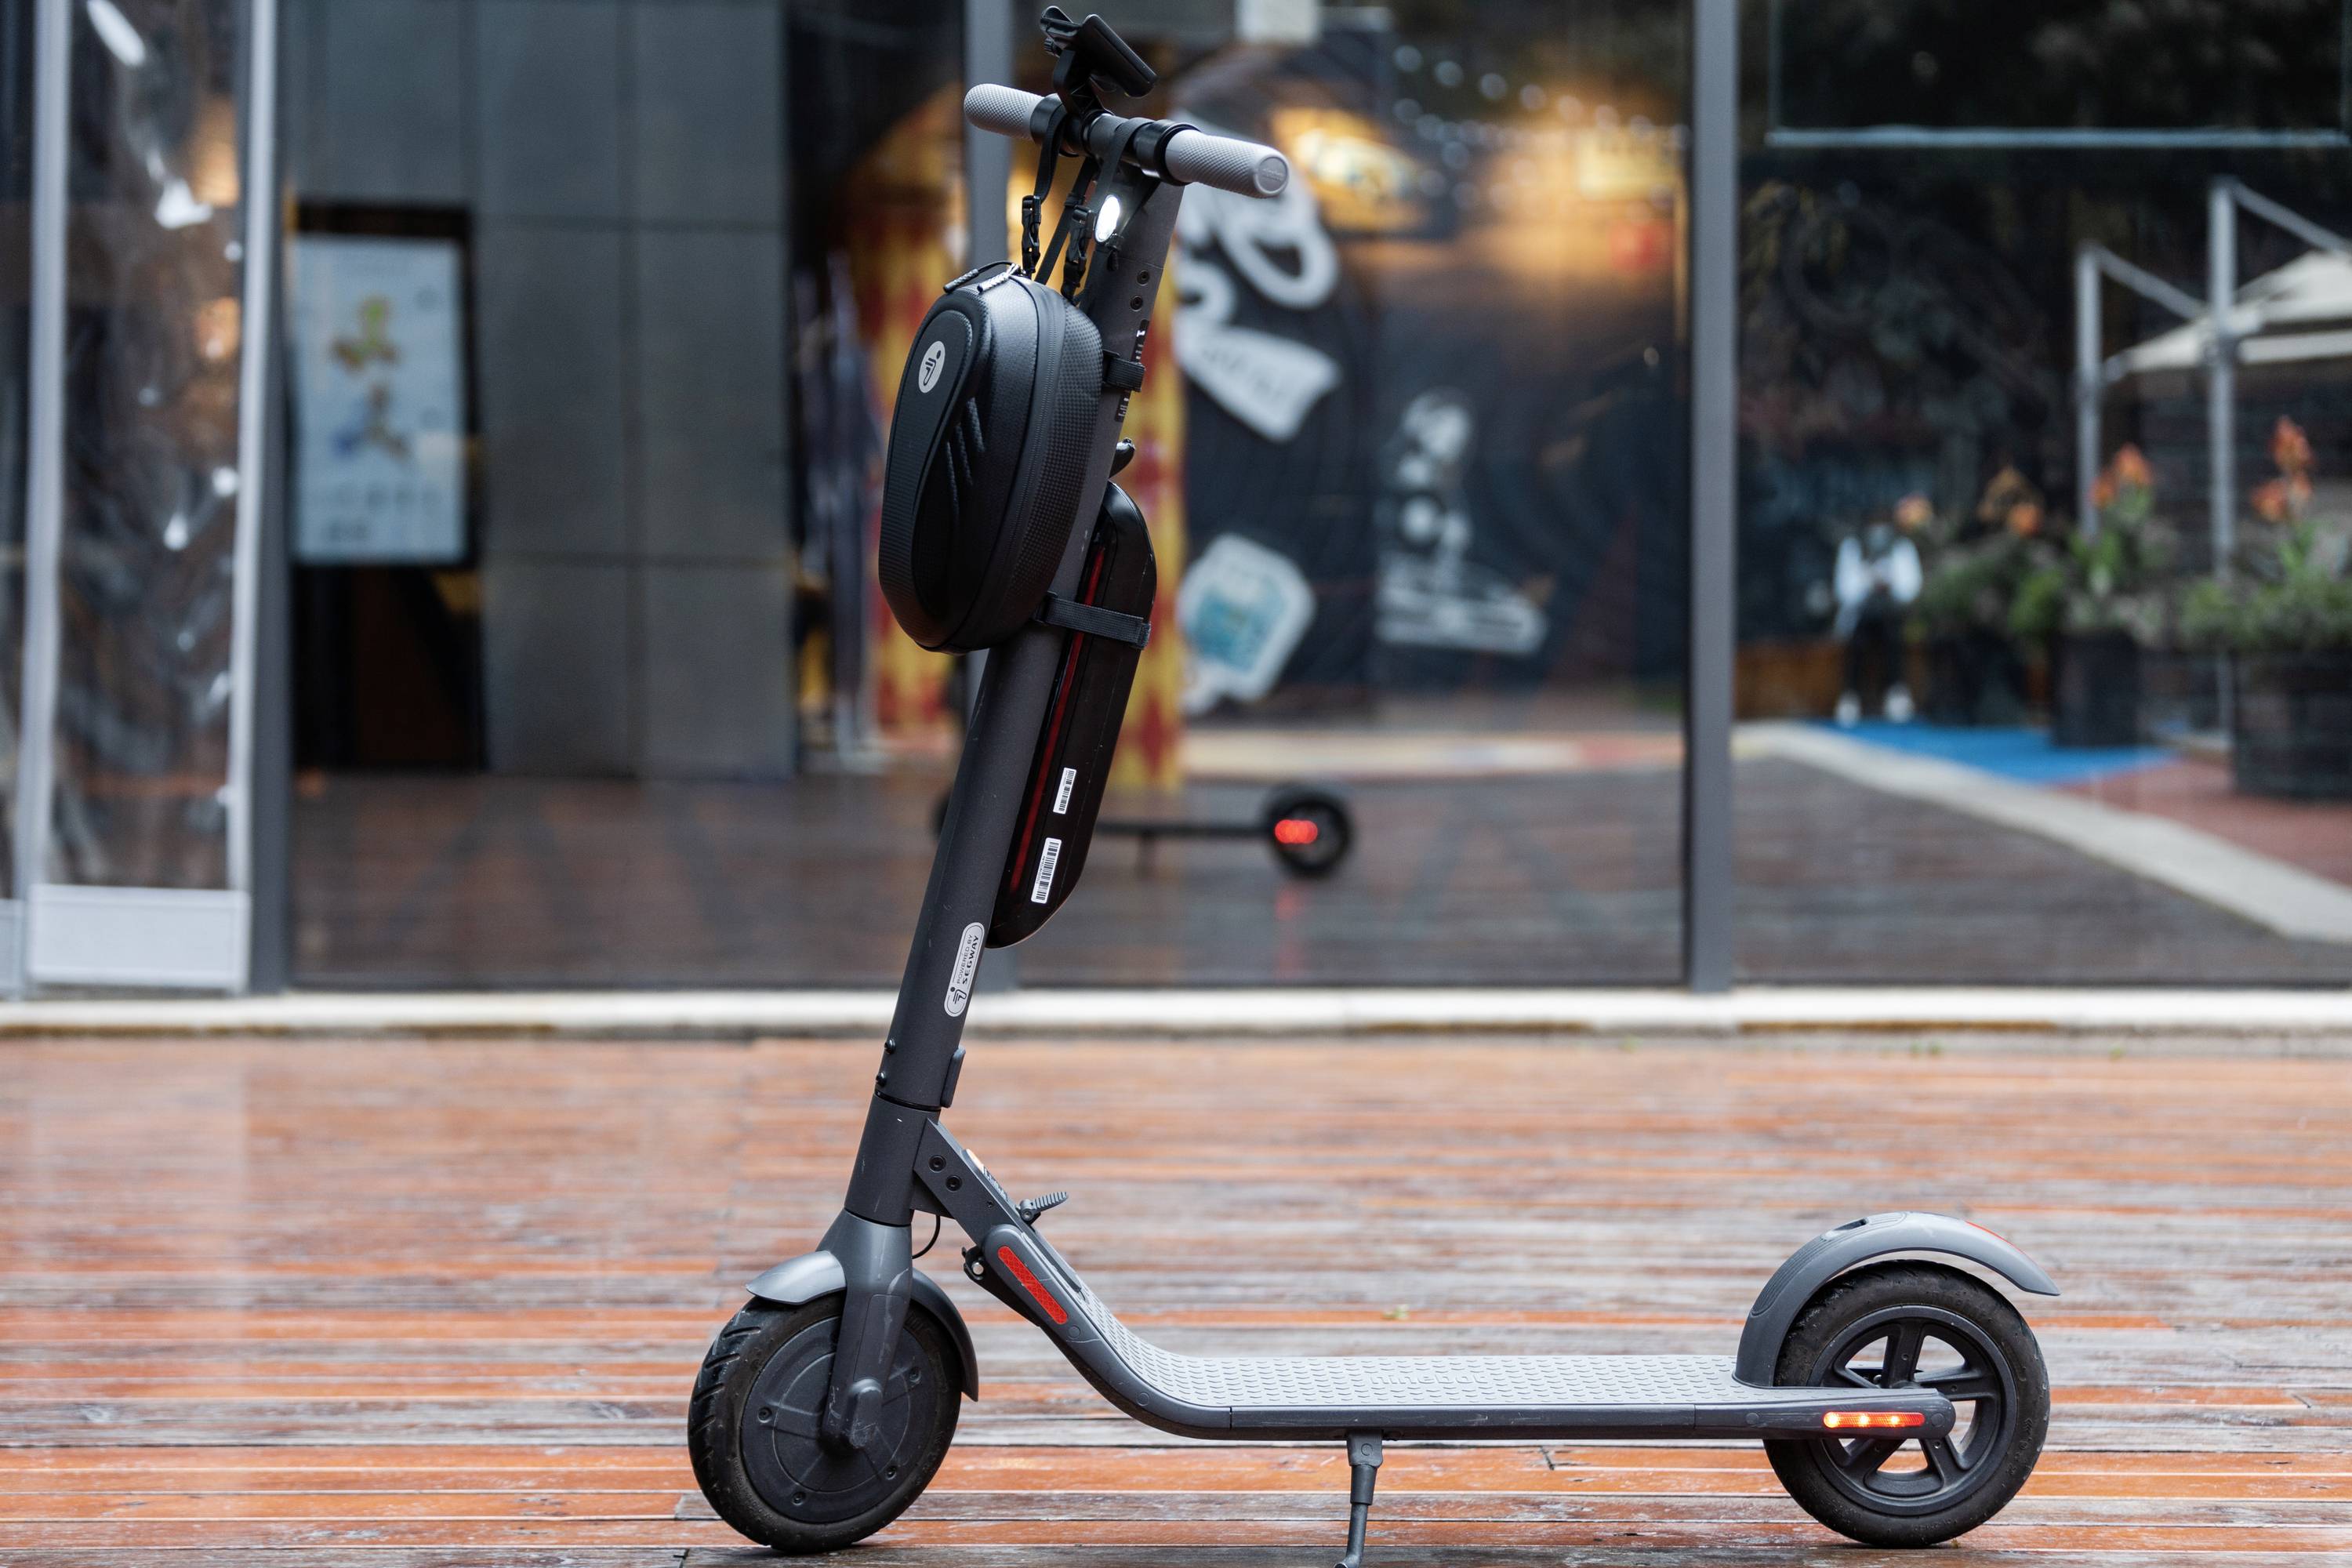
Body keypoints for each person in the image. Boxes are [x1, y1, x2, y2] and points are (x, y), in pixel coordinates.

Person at [1831, 495, 1926, 725]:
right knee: (1859, 640)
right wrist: (1868, 580)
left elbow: (1911, 588)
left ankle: (1896, 692)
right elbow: (1845, 591)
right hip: (1860, 618)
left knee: (1893, 635)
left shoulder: (1901, 546)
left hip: (1894, 618)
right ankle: (1850, 696)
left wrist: (1889, 581)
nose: (1878, 529)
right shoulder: (1853, 546)